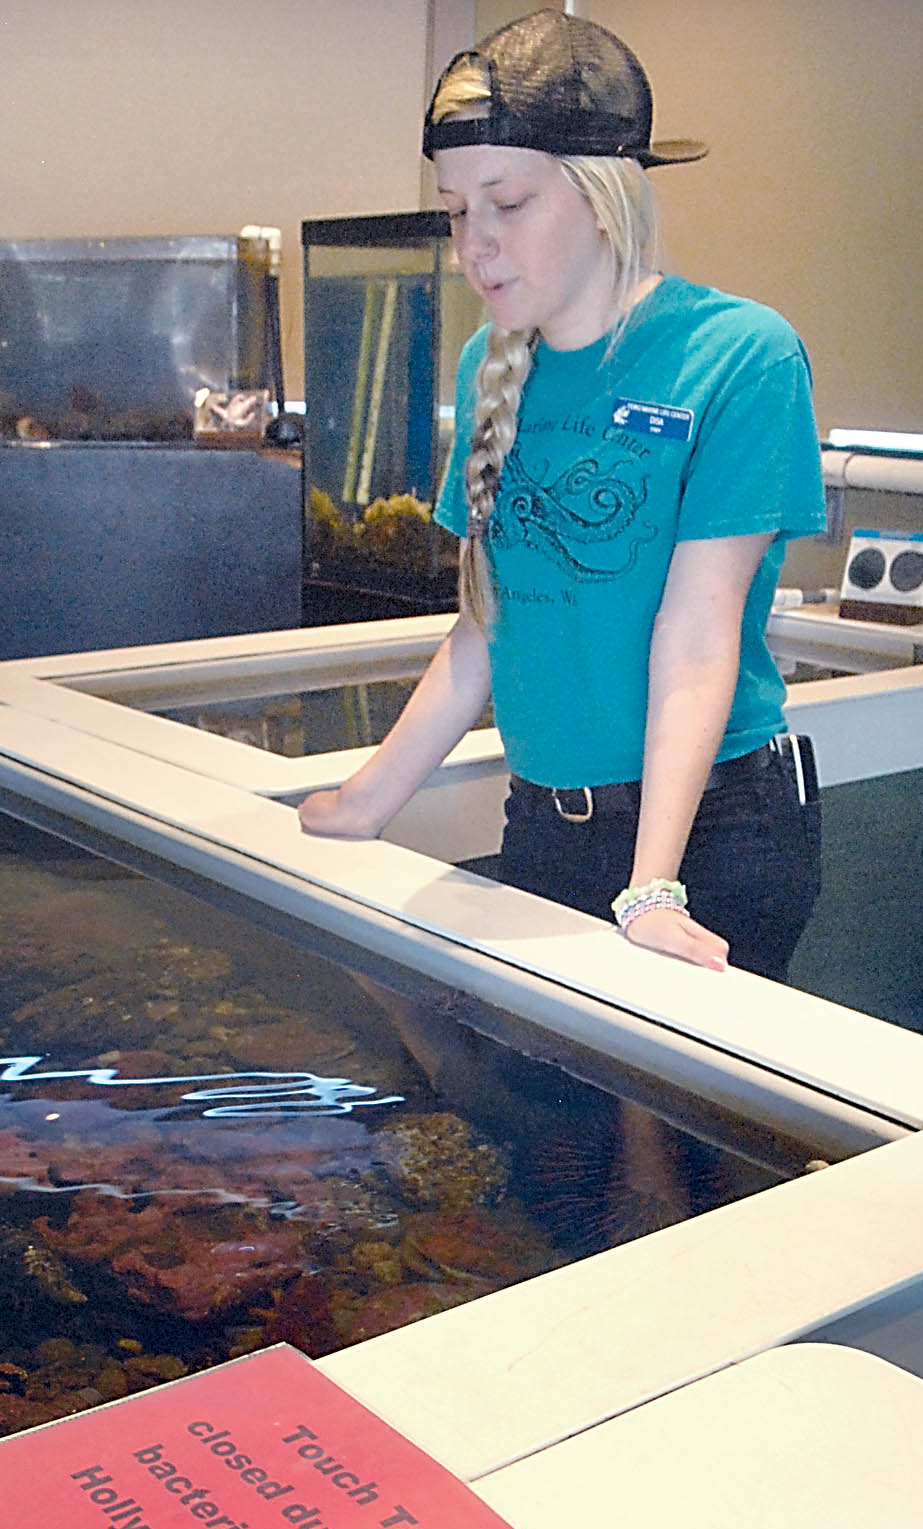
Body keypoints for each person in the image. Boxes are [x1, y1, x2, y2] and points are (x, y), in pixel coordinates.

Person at [298, 10, 827, 979]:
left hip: (714, 826)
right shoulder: (487, 361)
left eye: (508, 203)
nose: (476, 244)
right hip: (545, 816)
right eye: (458, 210)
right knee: (541, 1120)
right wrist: (369, 801)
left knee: (663, 1130)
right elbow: (482, 630)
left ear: (601, 198)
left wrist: (653, 884)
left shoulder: (740, 353)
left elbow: (699, 635)